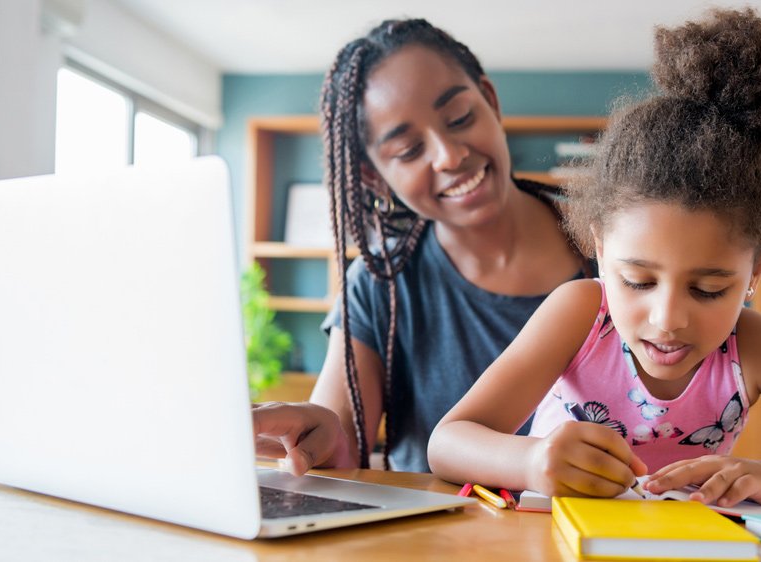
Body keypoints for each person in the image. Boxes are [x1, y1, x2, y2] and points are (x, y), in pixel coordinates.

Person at [428, 8, 761, 508]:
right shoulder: (580, 314)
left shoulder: (753, 347)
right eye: (637, 281)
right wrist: (531, 461)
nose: (668, 318)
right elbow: (448, 442)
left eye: (709, 289)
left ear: (754, 271)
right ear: (602, 252)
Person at [252, 18, 589, 473]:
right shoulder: (379, 284)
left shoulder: (619, 250)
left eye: (459, 119)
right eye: (409, 150)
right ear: (374, 175)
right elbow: (340, 443)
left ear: (490, 101)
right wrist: (321, 439)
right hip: (430, 544)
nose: (449, 156)